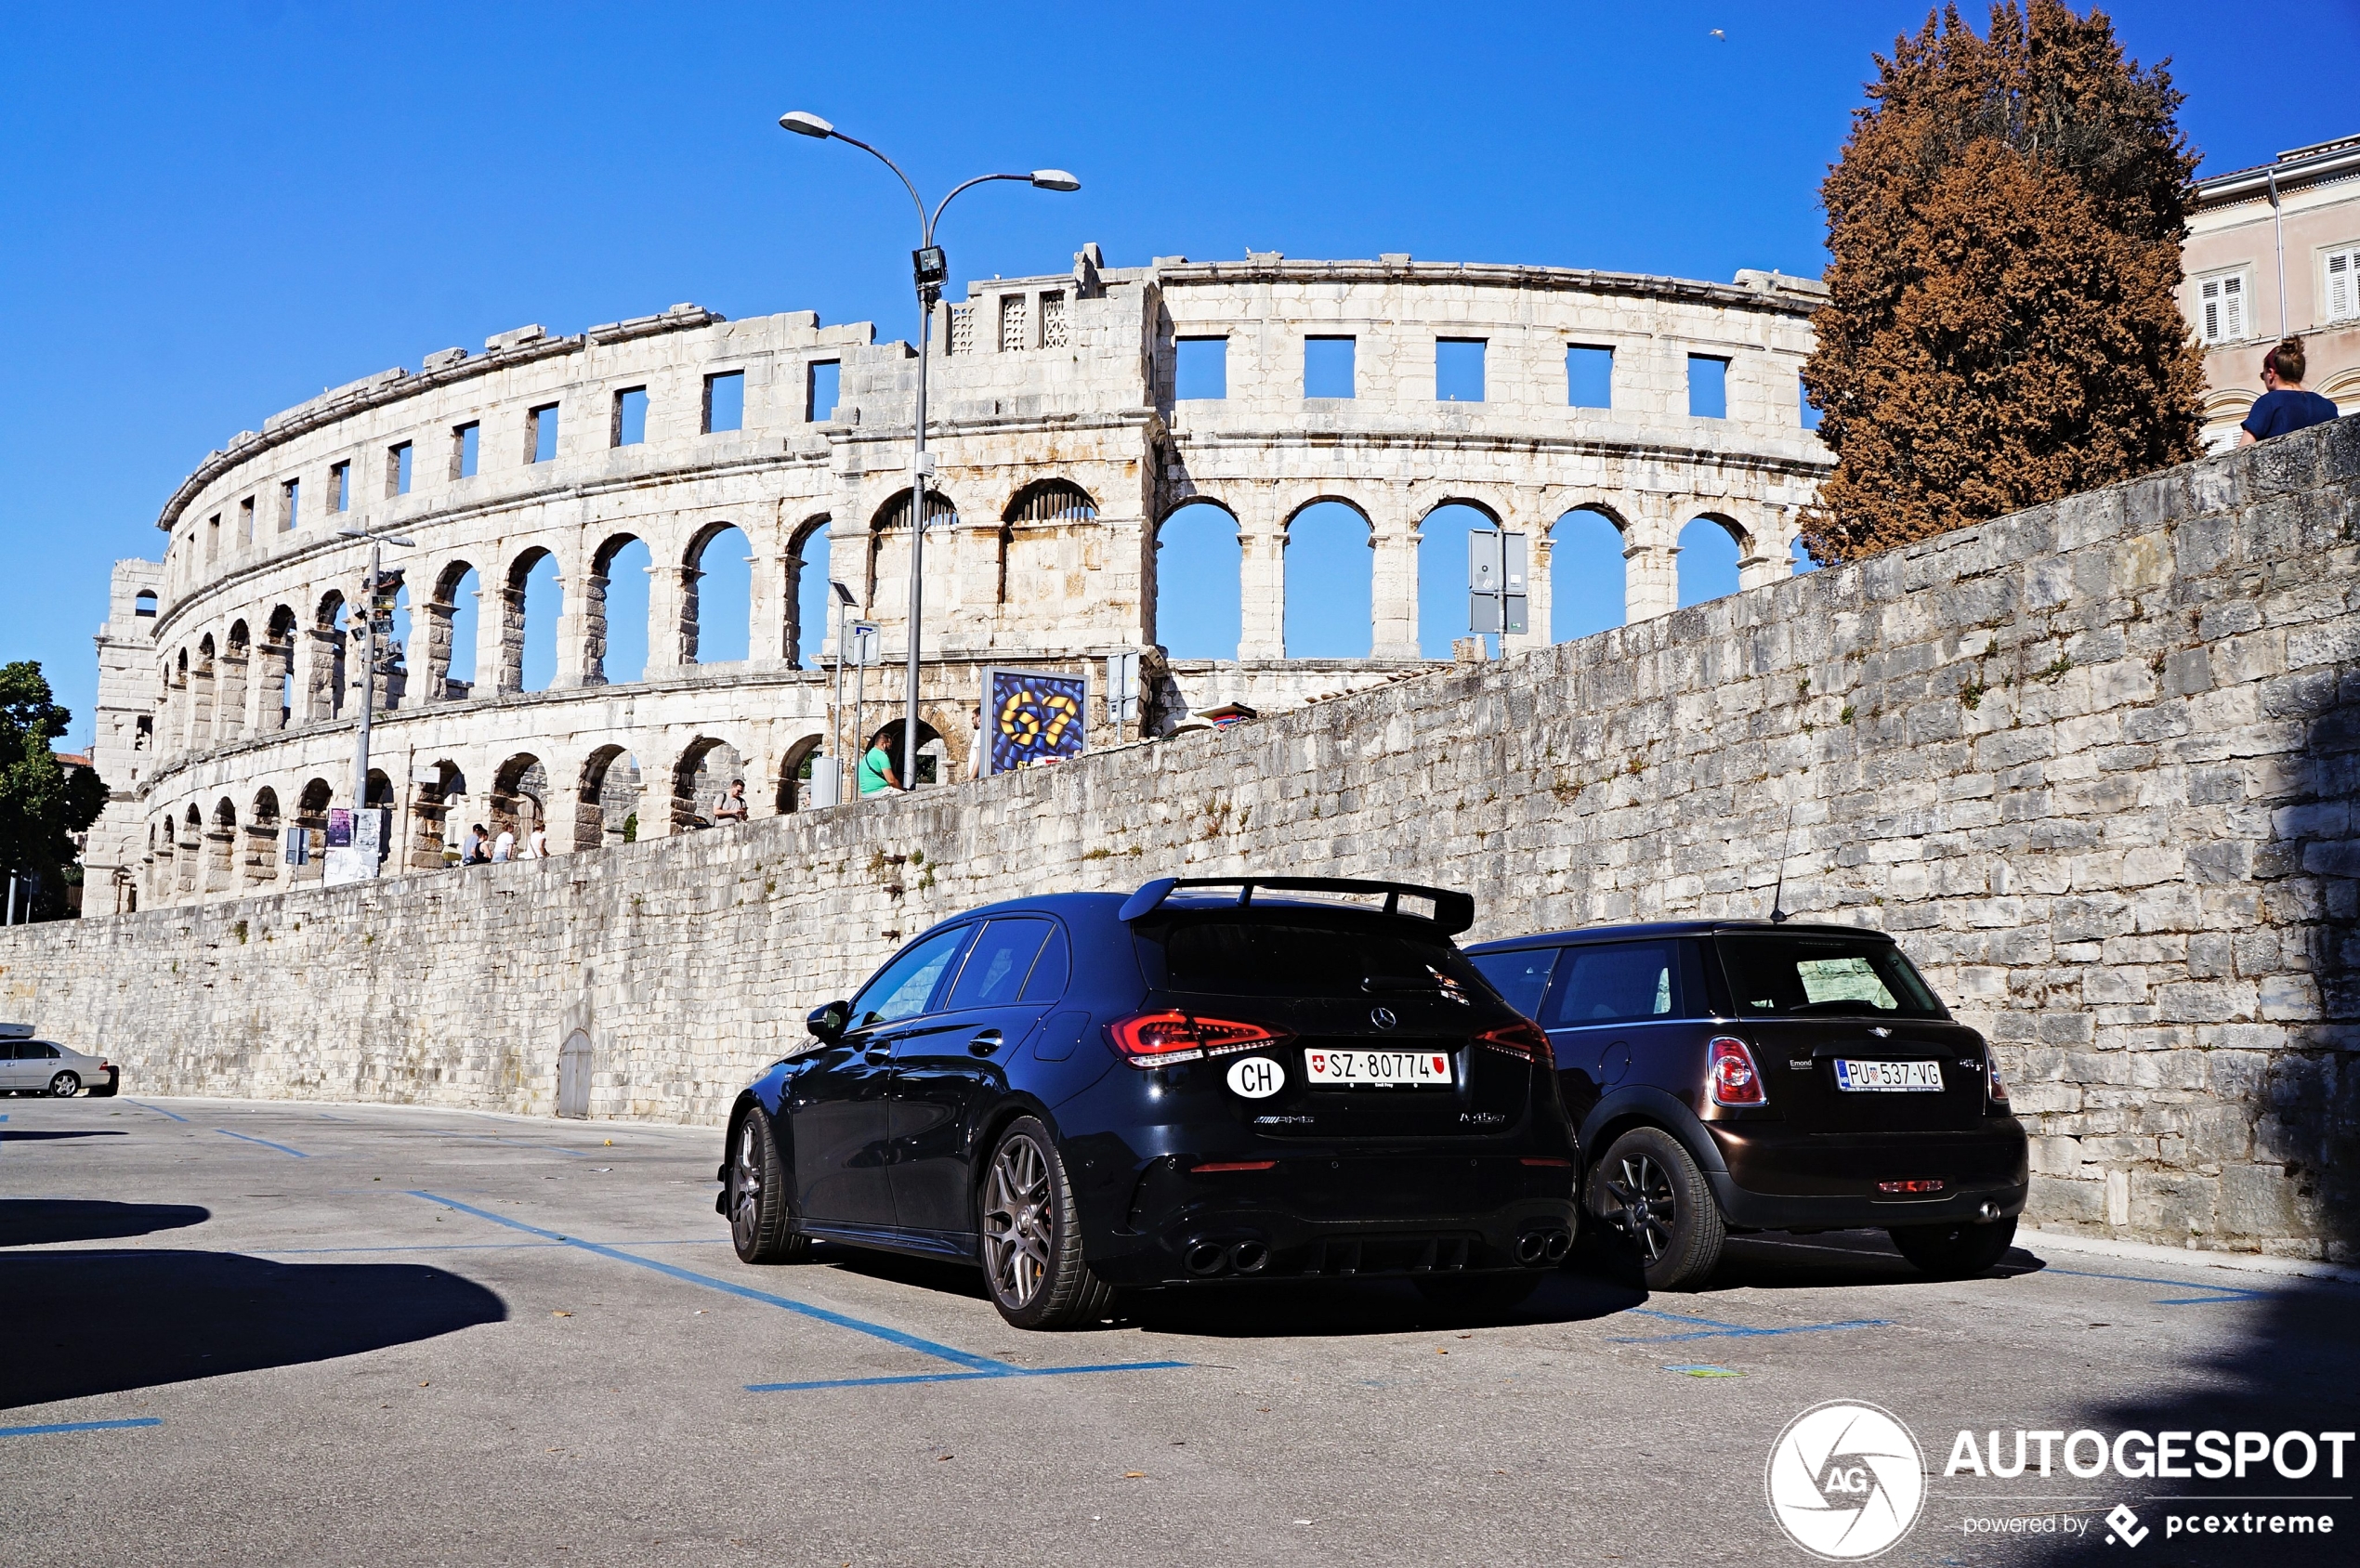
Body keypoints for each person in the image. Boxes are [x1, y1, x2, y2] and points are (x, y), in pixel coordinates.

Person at [2240, 336, 2340, 445]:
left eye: (2262, 376)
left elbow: (2242, 451)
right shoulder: (2328, 406)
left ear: (2270, 373)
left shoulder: (2268, 402)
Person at [859, 730, 903, 796]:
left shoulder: (867, 756)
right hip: (879, 792)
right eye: (889, 746)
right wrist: (902, 790)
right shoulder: (881, 755)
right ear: (883, 744)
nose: (889, 749)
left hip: (865, 794)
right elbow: (891, 780)